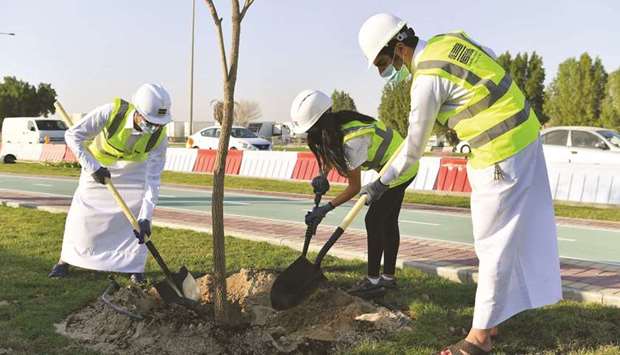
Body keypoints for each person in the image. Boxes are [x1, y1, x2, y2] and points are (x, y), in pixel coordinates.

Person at [357, 13, 562, 354]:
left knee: (493, 243)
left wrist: (381, 182)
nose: (383, 70)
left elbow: (412, 148)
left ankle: (479, 339)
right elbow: (491, 60)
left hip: (499, 151)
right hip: (523, 134)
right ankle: (492, 318)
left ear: (397, 47)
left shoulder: (425, 80)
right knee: (512, 235)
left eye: (381, 62)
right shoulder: (448, 41)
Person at [290, 89, 418, 297]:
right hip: (395, 163)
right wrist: (323, 175)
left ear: (319, 124)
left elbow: (354, 187)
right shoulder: (337, 126)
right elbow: (332, 148)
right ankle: (388, 278)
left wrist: (325, 208)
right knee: (387, 222)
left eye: (310, 130)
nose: (308, 135)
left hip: (401, 168)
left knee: (375, 221)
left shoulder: (353, 140)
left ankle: (374, 281)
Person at [48, 83, 172, 284]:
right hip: (98, 166)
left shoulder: (159, 137)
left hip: (134, 173)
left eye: (159, 123)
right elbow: (73, 136)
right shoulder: (112, 112)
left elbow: (153, 178)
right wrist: (93, 167)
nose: (154, 127)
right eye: (150, 121)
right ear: (137, 112)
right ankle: (66, 260)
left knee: (135, 221)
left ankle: (135, 267)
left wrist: (146, 218)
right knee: (82, 217)